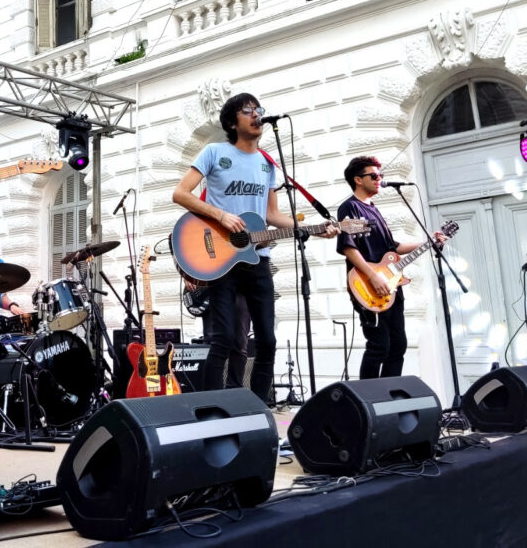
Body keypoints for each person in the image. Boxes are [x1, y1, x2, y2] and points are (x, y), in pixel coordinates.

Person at [173, 93, 337, 402]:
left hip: (257, 258)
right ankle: (207, 409)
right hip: (220, 260)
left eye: (258, 109)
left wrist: (314, 228)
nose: (256, 114)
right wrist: (220, 215)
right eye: (247, 110)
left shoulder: (267, 164)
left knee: (267, 340)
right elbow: (181, 193)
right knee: (223, 337)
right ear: (232, 122)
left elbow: (271, 215)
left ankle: (260, 409)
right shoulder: (214, 152)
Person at [336, 156, 447, 380]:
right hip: (367, 285)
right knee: (379, 345)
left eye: (381, 175)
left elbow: (394, 248)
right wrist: (373, 276)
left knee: (398, 345)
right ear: (358, 179)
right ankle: (368, 396)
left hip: (391, 286)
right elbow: (348, 247)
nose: (379, 179)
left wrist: (429, 241)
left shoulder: (374, 210)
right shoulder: (349, 207)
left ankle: (388, 393)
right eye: (374, 176)